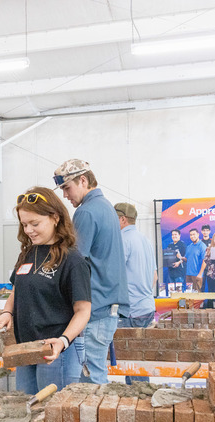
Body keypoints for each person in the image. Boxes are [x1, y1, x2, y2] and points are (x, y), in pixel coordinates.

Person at [0, 186, 93, 422]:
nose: (29, 230)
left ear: (55, 218)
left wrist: (63, 341)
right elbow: (14, 291)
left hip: (57, 354)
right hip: (26, 352)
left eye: (35, 223)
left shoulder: (72, 260)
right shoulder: (28, 254)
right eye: (24, 224)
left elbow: (83, 311)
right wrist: (8, 312)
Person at [53, 159, 128, 385]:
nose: (66, 195)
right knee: (95, 374)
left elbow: (74, 263)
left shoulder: (86, 212)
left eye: (67, 188)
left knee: (92, 379)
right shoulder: (105, 206)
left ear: (83, 180)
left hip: (96, 308)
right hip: (108, 305)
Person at [114, 202, 157, 385]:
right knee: (140, 362)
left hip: (131, 311)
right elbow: (154, 276)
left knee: (132, 365)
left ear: (122, 219)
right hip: (147, 308)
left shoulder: (122, 240)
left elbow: (114, 275)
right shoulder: (145, 240)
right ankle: (141, 402)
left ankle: (138, 405)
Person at [184, 227, 207, 292]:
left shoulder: (202, 246)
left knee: (197, 295)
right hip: (188, 275)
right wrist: (180, 257)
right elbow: (187, 259)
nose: (192, 236)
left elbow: (204, 261)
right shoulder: (189, 246)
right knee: (189, 295)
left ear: (198, 234)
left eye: (194, 234)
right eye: (191, 235)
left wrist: (200, 274)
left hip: (197, 275)